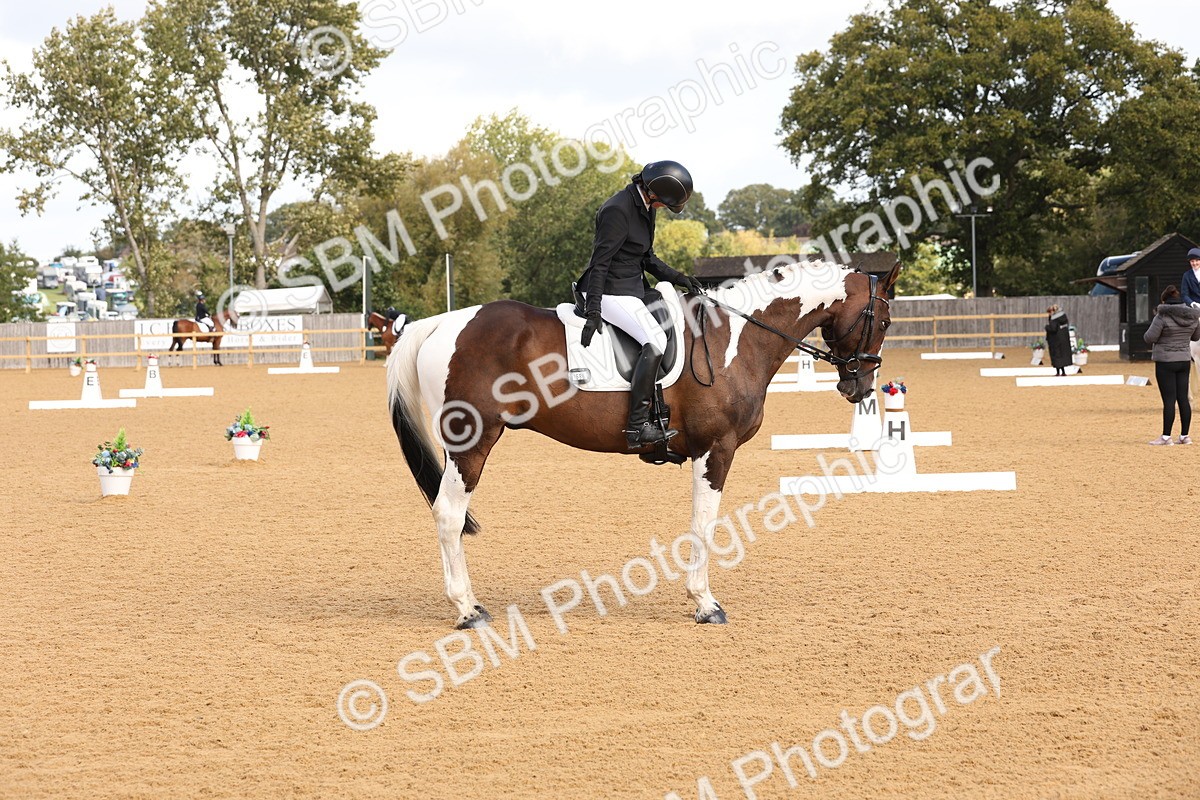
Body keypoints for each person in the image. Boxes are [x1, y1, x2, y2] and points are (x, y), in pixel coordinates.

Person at [575, 160, 705, 449]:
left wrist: (679, 277)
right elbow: (600, 263)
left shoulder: (645, 206)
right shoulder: (617, 210)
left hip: (632, 288)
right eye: (664, 205)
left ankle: (660, 410)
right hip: (609, 292)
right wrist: (593, 310)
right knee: (656, 341)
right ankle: (636, 427)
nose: (663, 209)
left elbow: (646, 257)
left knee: (669, 314)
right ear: (654, 194)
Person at [1144, 285, 1200, 445]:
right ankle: (1185, 436)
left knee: (1169, 400)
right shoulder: (1192, 317)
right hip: (1183, 360)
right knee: (1183, 398)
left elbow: (1149, 338)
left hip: (1166, 362)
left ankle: (1166, 437)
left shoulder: (1161, 317)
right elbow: (1196, 337)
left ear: (1165, 301)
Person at [1044, 305, 1072, 376]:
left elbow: (1053, 329)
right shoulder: (1063, 318)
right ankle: (1063, 372)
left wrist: (1047, 327)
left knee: (1056, 355)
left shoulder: (1054, 319)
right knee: (1063, 355)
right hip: (1064, 339)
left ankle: (1058, 372)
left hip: (1055, 340)